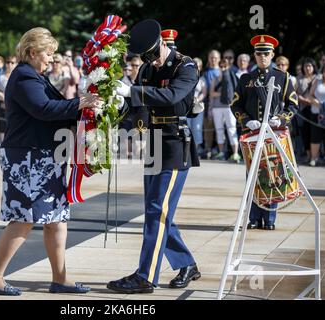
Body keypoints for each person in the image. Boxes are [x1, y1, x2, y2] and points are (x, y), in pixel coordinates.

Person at [0, 27, 100, 296]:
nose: (51, 59)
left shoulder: (35, 77)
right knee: (24, 219)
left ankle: (60, 278)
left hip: (44, 156)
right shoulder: (24, 77)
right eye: (48, 53)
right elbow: (43, 110)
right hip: (27, 158)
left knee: (56, 219)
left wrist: (87, 113)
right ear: (32, 52)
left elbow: (55, 111)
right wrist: (80, 104)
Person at [108, 19, 201, 294]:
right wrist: (116, 116)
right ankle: (186, 263)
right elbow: (141, 114)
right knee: (156, 211)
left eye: (153, 56)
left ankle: (145, 276)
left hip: (174, 145)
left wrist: (133, 92)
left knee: (157, 211)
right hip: (154, 144)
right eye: (146, 59)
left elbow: (172, 96)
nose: (152, 63)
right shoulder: (149, 68)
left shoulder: (186, 66)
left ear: (162, 44)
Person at [230, 34, 298, 230]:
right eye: (259, 54)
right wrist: (246, 120)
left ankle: (269, 219)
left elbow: (293, 105)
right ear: (254, 55)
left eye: (266, 54)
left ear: (272, 54)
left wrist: (282, 119)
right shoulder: (245, 79)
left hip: (273, 133)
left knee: (273, 174)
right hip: (252, 133)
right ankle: (253, 218)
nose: (262, 57)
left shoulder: (282, 77)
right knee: (252, 176)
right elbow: (235, 105)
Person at [210, 58, 240, 162]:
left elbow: (236, 92)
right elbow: (212, 93)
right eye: (221, 66)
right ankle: (221, 152)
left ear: (228, 66)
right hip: (217, 107)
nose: (223, 68)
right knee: (219, 130)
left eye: (225, 66)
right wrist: (223, 94)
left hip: (229, 106)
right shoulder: (216, 78)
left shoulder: (232, 77)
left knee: (232, 129)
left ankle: (235, 153)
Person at [308, 64, 325, 167]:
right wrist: (314, 101)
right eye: (324, 71)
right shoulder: (317, 82)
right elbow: (310, 95)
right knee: (315, 136)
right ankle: (314, 158)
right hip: (316, 113)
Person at [295, 58, 317, 163]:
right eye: (305, 66)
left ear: (313, 67)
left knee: (315, 132)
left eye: (310, 66)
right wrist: (303, 99)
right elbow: (294, 93)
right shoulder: (298, 79)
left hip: (315, 109)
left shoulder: (318, 78)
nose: (307, 68)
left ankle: (316, 156)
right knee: (304, 132)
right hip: (302, 109)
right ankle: (309, 155)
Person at [0, 55, 17, 143]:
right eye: (8, 62)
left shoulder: (17, 76)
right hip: (2, 102)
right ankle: (2, 144)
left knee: (13, 123)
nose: (10, 64)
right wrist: (1, 96)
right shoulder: (0, 75)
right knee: (2, 124)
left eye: (12, 63)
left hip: (14, 103)